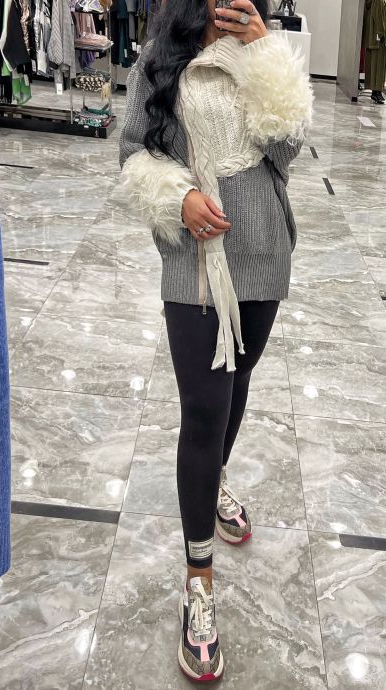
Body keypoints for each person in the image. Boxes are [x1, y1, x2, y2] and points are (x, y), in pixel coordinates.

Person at [119, 0, 313, 681]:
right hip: (194, 260)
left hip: (262, 252)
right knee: (204, 411)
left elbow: (287, 150)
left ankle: (215, 481)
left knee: (239, 377)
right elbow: (133, 152)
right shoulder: (161, 54)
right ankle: (198, 581)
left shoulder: (263, 46)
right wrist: (176, 199)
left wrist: (266, 60)